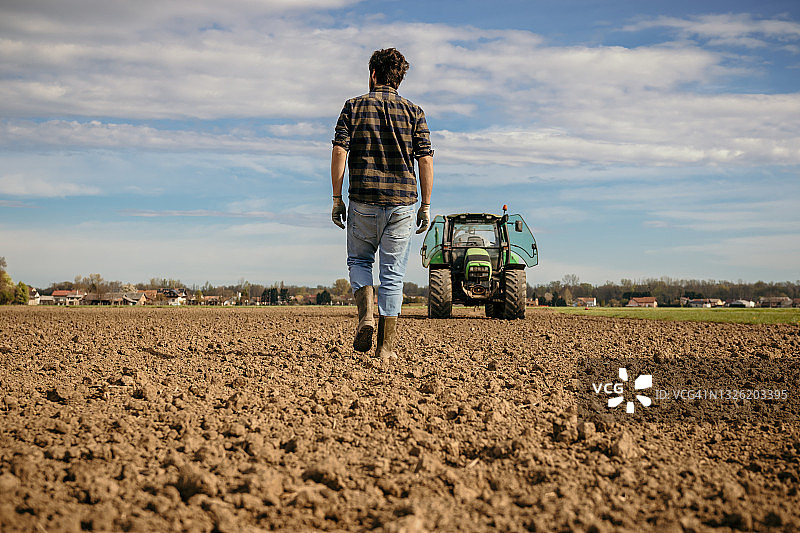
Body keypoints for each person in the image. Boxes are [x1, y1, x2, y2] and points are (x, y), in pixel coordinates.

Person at [330, 47, 434, 363]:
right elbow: (425, 160)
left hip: (362, 199)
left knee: (359, 260)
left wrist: (336, 199)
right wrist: (426, 205)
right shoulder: (415, 112)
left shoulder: (353, 107)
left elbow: (339, 151)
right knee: (393, 275)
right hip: (403, 204)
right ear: (399, 79)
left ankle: (366, 316)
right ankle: (385, 348)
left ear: (373, 74)